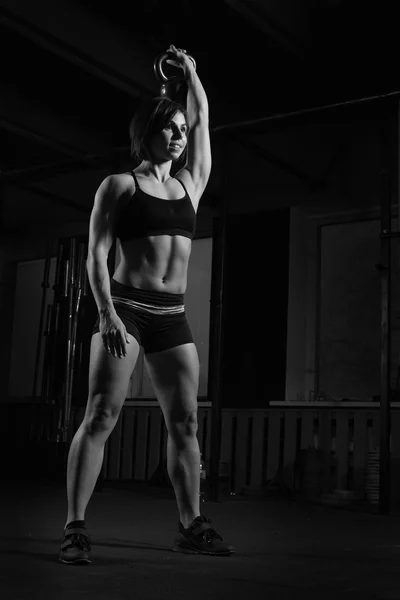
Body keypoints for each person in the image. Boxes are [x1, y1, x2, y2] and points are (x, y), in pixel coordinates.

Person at [59, 44, 234, 564]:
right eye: (170, 128)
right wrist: (107, 312)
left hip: (171, 316)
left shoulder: (189, 185)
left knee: (185, 422)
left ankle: (191, 524)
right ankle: (74, 528)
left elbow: (204, 125)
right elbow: (94, 254)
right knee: (102, 414)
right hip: (127, 309)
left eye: (181, 129)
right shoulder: (119, 186)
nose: (180, 136)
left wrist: (194, 75)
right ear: (147, 132)